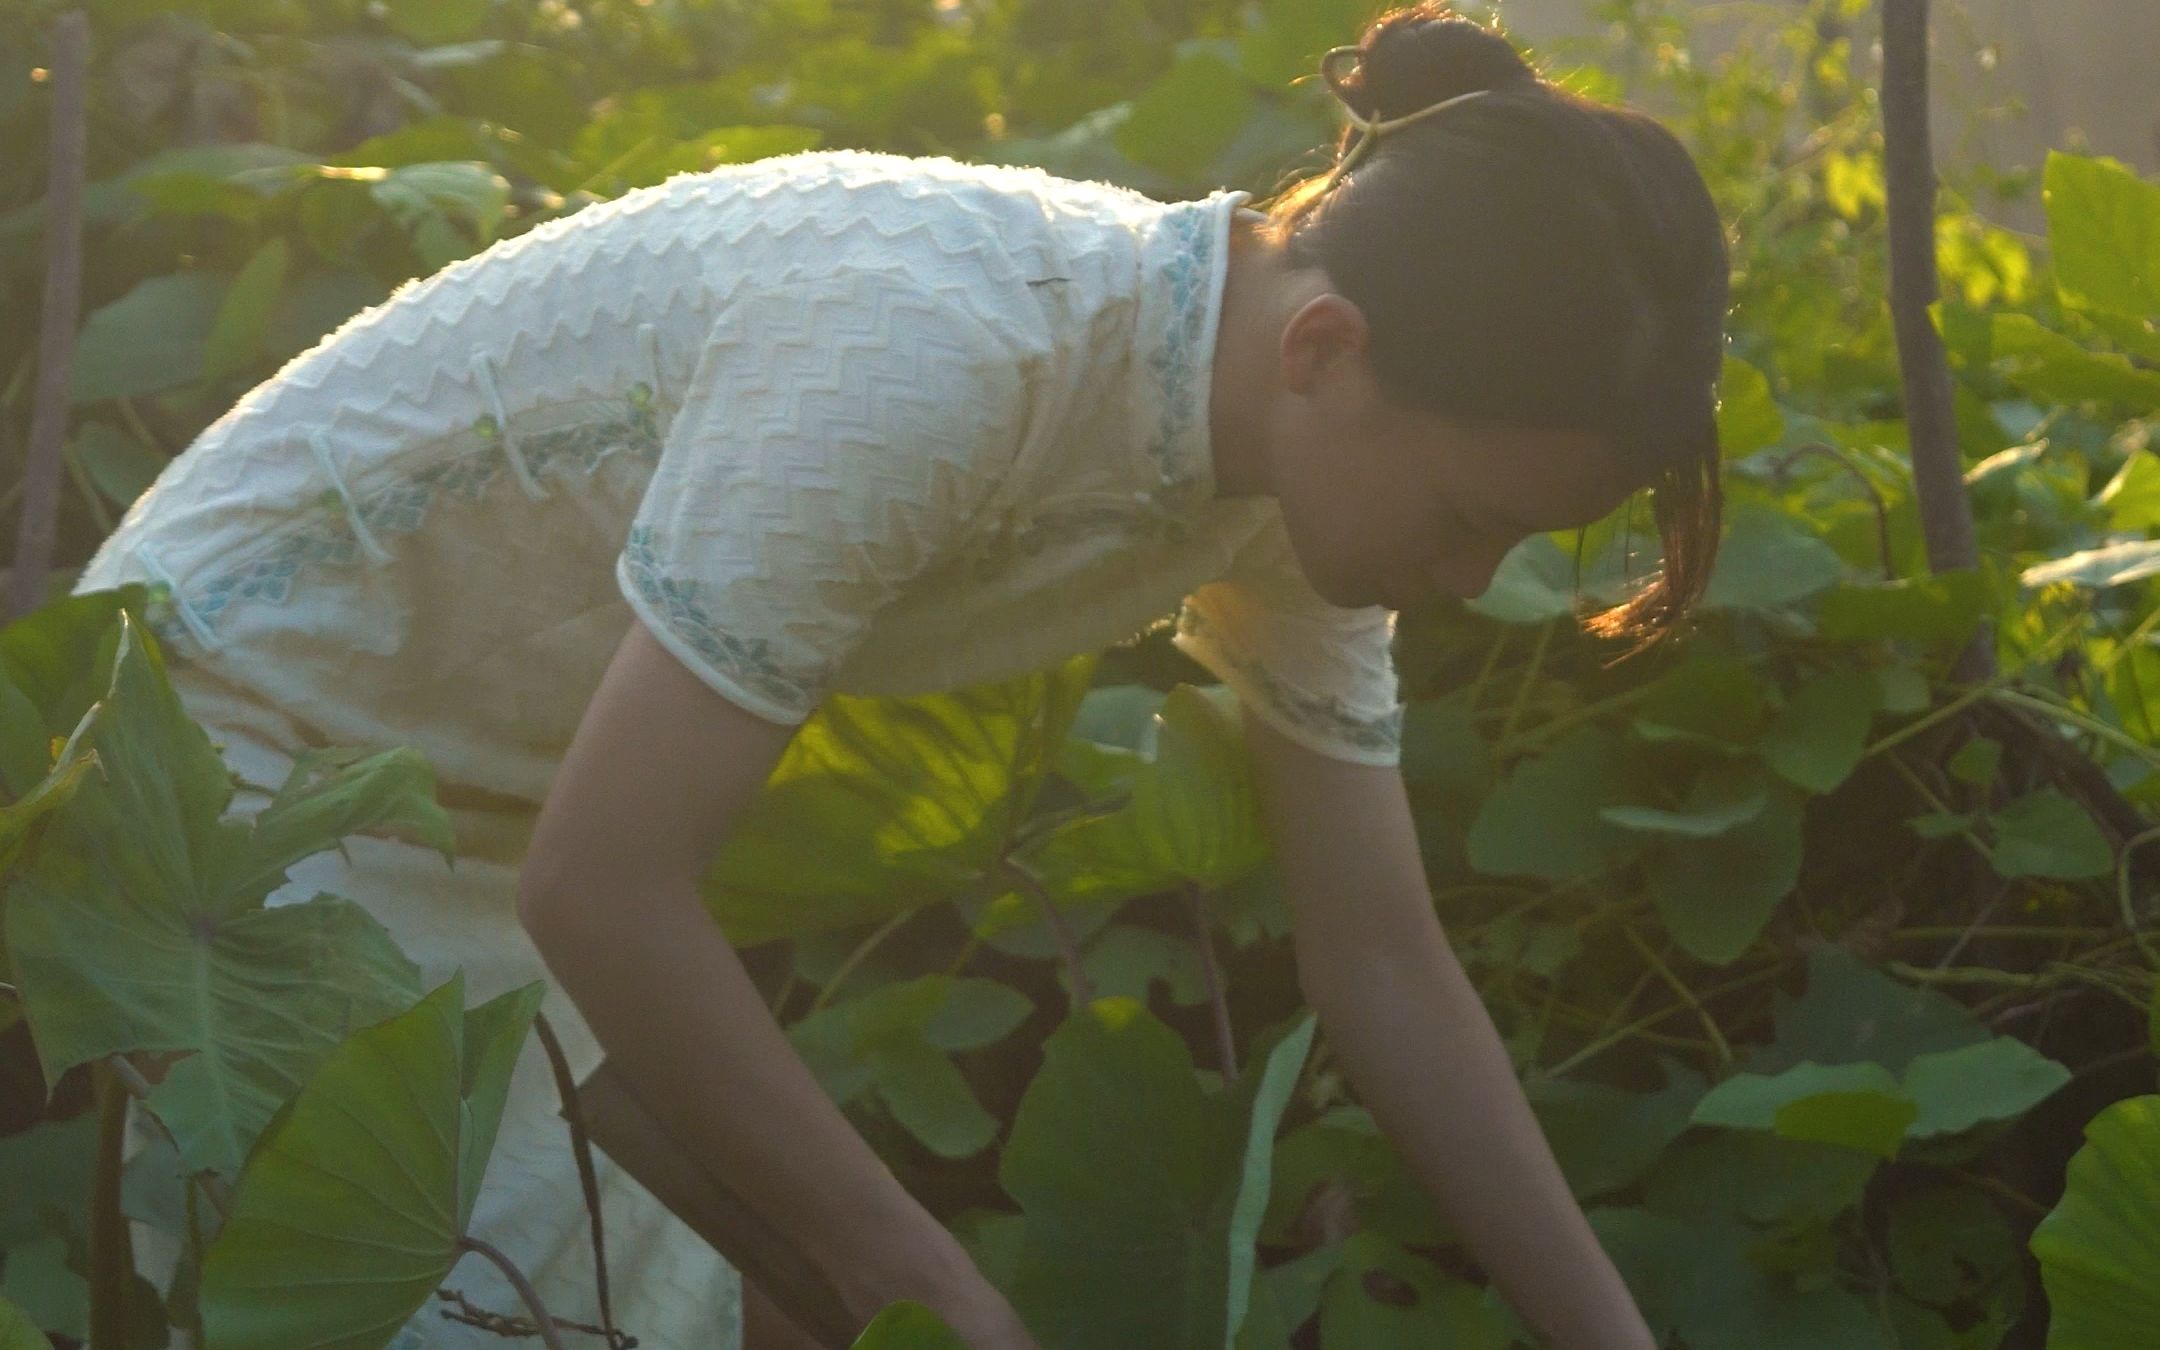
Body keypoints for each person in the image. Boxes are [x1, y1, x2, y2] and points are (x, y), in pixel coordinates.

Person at [73, 3, 1728, 1346]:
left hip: (477, 811)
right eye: (1466, 520)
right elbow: (607, 886)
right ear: (1325, 350)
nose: (1464, 582)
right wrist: (917, 1269)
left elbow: (1382, 964)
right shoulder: (936, 352)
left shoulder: (1293, 471)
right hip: (214, 749)